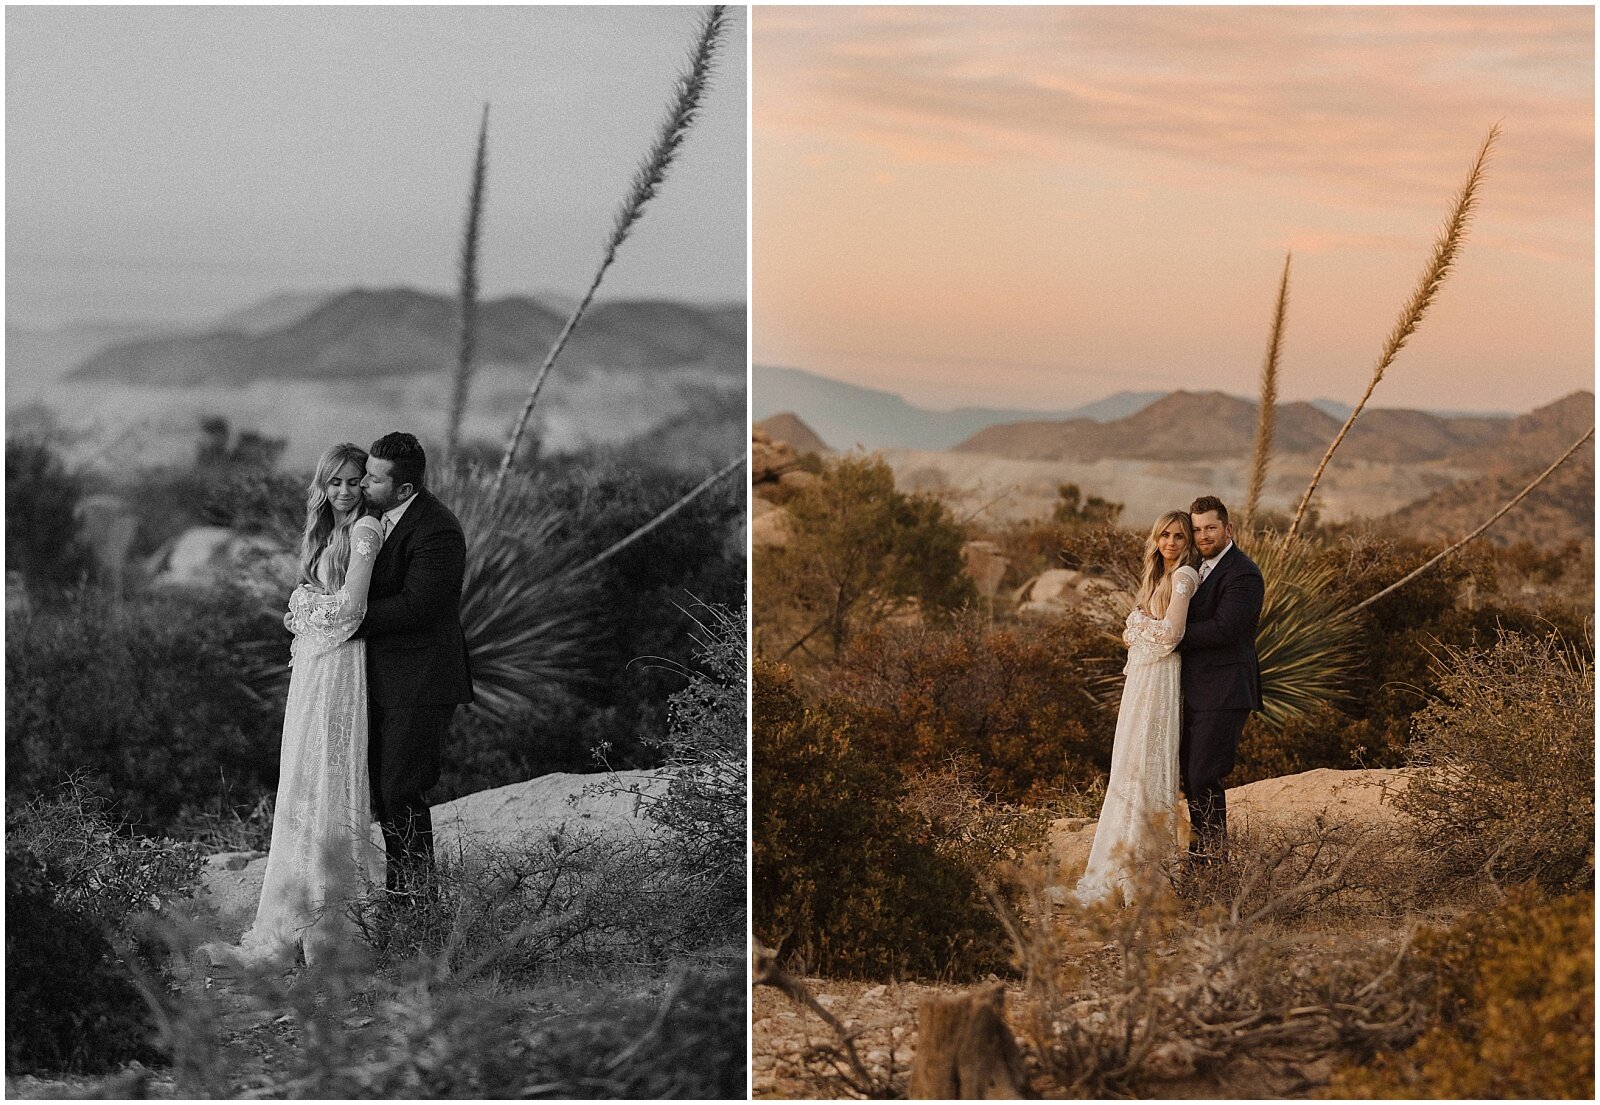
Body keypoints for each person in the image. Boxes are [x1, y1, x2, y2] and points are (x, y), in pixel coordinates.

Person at [204, 443, 385, 969]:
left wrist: (304, 605)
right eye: (336, 482)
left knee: (331, 770)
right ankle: (291, 913)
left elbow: (351, 607)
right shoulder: (324, 533)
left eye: (355, 481)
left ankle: (333, 921)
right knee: (303, 775)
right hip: (311, 663)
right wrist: (305, 608)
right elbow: (309, 600)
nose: (346, 491)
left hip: (339, 661)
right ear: (323, 487)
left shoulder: (366, 532)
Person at [355, 432, 473, 897]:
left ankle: (416, 906)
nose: (364, 483)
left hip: (423, 681)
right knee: (386, 796)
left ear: (405, 490)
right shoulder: (377, 517)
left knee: (402, 792)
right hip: (386, 680)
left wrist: (344, 618)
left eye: (374, 478)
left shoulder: (437, 529)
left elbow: (418, 606)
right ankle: (402, 898)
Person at [1071, 510, 1201, 906]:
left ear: (1188, 542)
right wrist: (1140, 626)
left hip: (1161, 676)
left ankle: (1146, 876)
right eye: (1164, 535)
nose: (1171, 543)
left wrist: (1136, 626)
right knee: (1129, 761)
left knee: (1148, 759)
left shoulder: (1183, 577)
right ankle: (1117, 865)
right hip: (1143, 677)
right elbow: (1144, 631)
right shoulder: (1157, 576)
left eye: (1179, 536)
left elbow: (1171, 635)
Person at [1174, 495, 1264, 865]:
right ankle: (1204, 857)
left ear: (1228, 529)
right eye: (1197, 529)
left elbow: (1227, 629)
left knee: (1204, 774)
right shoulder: (1196, 567)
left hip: (1226, 690)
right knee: (1192, 779)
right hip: (1196, 691)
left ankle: (1213, 861)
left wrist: (1172, 633)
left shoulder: (1243, 573)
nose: (1203, 535)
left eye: (1210, 527)